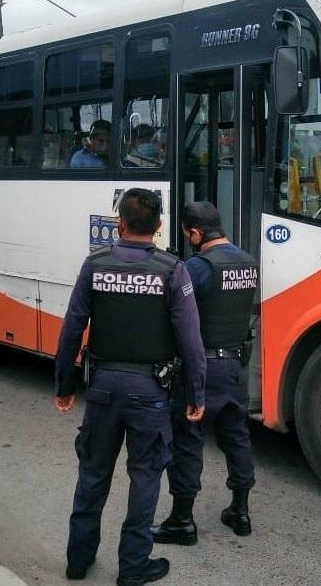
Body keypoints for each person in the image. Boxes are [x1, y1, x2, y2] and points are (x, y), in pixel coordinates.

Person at [54, 188, 206, 585]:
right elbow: (191, 340)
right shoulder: (174, 271)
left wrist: (64, 385)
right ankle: (133, 566)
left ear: (119, 223)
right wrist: (197, 393)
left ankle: (77, 560)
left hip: (102, 387)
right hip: (151, 394)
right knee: (146, 477)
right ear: (158, 227)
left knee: (92, 473)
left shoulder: (95, 265)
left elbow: (72, 328)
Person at [152, 201, 258, 546]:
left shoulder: (198, 266)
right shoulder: (247, 261)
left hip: (203, 367)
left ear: (195, 233)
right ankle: (240, 512)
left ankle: (182, 520)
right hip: (236, 369)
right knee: (237, 437)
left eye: (188, 234)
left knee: (187, 439)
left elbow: (173, 311)